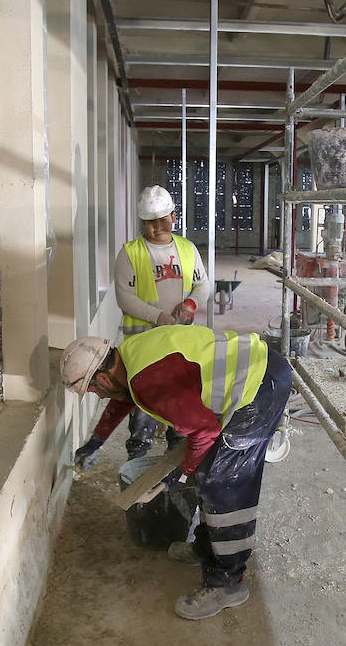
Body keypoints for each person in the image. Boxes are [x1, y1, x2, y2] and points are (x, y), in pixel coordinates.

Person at [60, 326, 292, 619]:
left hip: (259, 386)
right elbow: (123, 398)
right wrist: (97, 439)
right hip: (258, 369)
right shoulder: (129, 357)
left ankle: (230, 582)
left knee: (224, 483)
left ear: (103, 377)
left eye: (93, 389)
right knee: (208, 474)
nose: (98, 396)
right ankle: (208, 548)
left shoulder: (149, 379)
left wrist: (181, 474)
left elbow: (205, 430)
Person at [73, 185, 210, 470]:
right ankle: (137, 461)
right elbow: (125, 297)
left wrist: (192, 304)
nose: (157, 226)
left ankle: (177, 456)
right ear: (141, 222)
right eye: (149, 221)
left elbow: (202, 284)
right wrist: (158, 316)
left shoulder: (187, 249)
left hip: (179, 347)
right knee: (141, 409)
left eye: (163, 219)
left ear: (174, 216)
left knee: (179, 404)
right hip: (143, 347)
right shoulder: (130, 253)